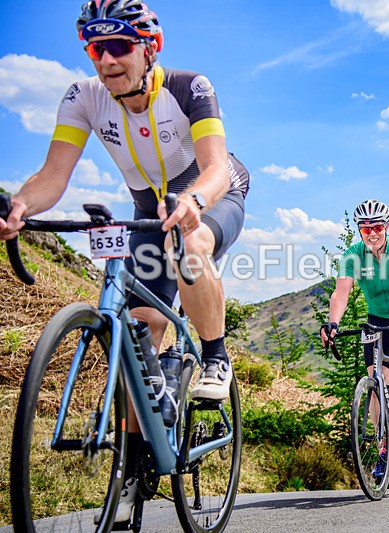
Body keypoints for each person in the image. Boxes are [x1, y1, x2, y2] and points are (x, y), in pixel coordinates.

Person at [0, 0, 249, 525]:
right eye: (96, 48)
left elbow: (216, 168)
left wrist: (195, 202)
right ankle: (134, 467)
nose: (107, 60)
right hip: (146, 207)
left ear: (148, 48)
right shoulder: (84, 97)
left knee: (191, 247)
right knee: (139, 331)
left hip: (211, 191)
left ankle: (214, 356)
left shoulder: (189, 88)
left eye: (119, 47)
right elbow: (52, 175)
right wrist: (20, 205)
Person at [320, 199, 389, 476]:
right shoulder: (353, 255)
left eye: (377, 226)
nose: (372, 232)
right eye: (365, 227)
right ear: (359, 230)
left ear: (387, 226)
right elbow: (341, 293)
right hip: (377, 318)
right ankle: (383, 446)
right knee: (376, 380)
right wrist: (333, 322)